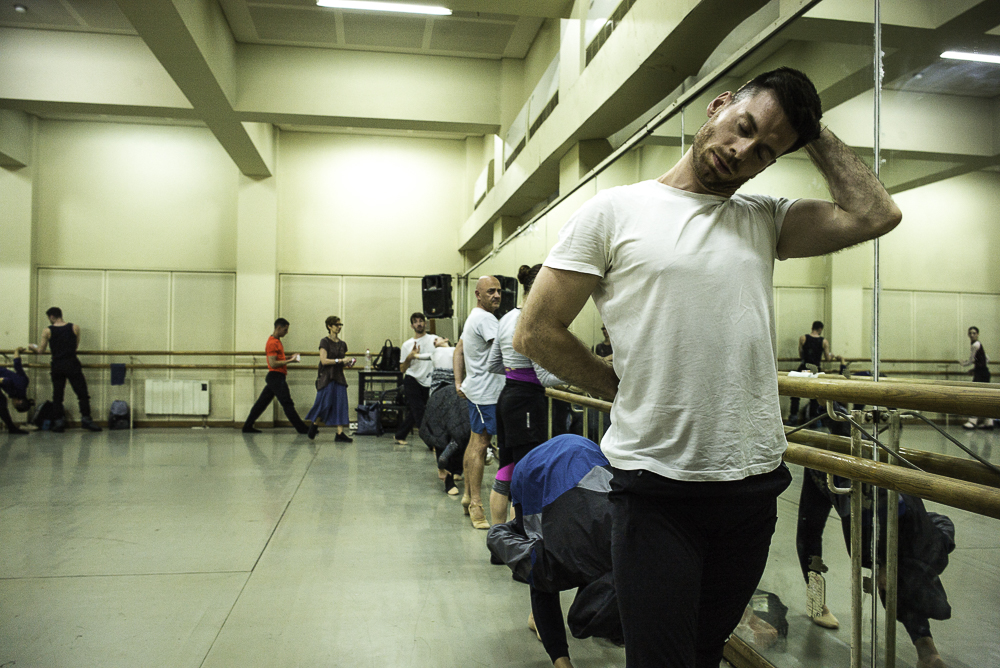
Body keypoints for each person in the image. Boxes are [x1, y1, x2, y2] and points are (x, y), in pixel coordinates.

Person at [515, 66, 902, 667]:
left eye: (765, 150)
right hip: (656, 488)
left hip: (752, 486)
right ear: (718, 106)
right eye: (743, 127)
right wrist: (616, 386)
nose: (742, 151)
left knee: (704, 654)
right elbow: (536, 330)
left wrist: (813, 131)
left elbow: (876, 214)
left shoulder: (764, 218)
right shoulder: (615, 210)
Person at [796, 468, 954, 668]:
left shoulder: (922, 538)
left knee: (899, 571)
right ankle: (925, 648)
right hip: (857, 482)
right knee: (810, 530)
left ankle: (925, 647)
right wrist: (884, 563)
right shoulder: (914, 536)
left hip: (869, 493)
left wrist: (884, 564)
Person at [487, 434, 621, 668]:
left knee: (549, 562)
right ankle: (545, 630)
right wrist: (561, 660)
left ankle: (542, 621)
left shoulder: (623, 547)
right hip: (534, 472)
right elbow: (541, 585)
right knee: (540, 569)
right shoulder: (555, 560)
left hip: (583, 455)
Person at [486, 264, 564, 526]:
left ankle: (499, 536)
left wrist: (515, 370)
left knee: (507, 468)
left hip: (508, 397)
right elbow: (545, 377)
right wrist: (578, 375)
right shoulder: (533, 320)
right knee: (527, 473)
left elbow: (493, 364)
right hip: (526, 403)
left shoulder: (506, 318)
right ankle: (523, 537)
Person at [454, 275, 504, 529]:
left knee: (475, 442)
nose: (496, 295)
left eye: (499, 291)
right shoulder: (485, 319)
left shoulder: (474, 317)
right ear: (478, 294)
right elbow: (506, 351)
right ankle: (476, 503)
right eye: (491, 291)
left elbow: (459, 350)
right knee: (481, 445)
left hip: (480, 391)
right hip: (486, 395)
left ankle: (467, 497)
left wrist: (459, 382)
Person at [31, 307, 101, 432]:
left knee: (57, 395)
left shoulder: (47, 330)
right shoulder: (75, 327)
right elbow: (75, 346)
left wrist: (31, 347)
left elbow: (40, 350)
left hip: (57, 365)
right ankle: (86, 419)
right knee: (82, 394)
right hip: (72, 363)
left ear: (51, 317)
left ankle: (59, 422)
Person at [242, 318, 308, 434]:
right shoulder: (272, 343)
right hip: (276, 377)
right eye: (285, 329)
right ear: (279, 328)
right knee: (287, 403)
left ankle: (247, 426)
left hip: (276, 377)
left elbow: (278, 359)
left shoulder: (276, 341)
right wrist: (290, 361)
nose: (286, 332)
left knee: (262, 403)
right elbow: (273, 363)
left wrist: (288, 357)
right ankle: (302, 429)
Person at [419, 339, 469, 495]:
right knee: (441, 433)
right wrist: (413, 355)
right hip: (438, 395)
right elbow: (420, 356)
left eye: (438, 338)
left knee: (458, 430)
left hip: (454, 393)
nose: (435, 340)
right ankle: (447, 475)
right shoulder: (435, 352)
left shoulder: (454, 349)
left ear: (447, 340)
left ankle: (455, 469)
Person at [305, 316, 355, 442]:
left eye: (340, 325)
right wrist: (341, 360)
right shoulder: (325, 342)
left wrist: (348, 363)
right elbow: (324, 360)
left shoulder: (342, 344)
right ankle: (314, 424)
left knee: (340, 404)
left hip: (339, 377)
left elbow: (341, 362)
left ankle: (340, 433)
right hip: (327, 377)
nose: (339, 327)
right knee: (324, 403)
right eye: (336, 325)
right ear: (329, 326)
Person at [395, 313, 441, 445]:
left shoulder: (434, 339)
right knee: (419, 411)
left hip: (429, 380)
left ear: (425, 324)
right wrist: (410, 357)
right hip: (412, 380)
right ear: (412, 326)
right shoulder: (407, 345)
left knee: (416, 411)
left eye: (421, 321)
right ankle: (431, 442)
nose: (419, 324)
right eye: (415, 322)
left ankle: (400, 435)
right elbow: (402, 369)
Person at [787, 320, 843, 426]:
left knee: (795, 393)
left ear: (812, 327)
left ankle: (793, 417)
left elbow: (801, 354)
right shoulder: (824, 342)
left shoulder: (803, 338)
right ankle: (813, 419)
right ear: (820, 329)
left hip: (804, 368)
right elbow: (827, 358)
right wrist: (832, 356)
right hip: (814, 370)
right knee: (815, 394)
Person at [960, 326, 992, 429]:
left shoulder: (975, 345)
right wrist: (975, 369)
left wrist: (963, 364)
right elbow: (987, 359)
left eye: (974, 333)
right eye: (970, 333)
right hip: (984, 373)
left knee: (974, 397)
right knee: (985, 397)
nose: (972, 335)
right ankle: (989, 422)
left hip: (981, 374)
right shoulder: (979, 345)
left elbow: (970, 360)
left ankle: (972, 421)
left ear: (978, 334)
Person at [0, 347, 34, 434]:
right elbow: (7, 381)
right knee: (1, 403)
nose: (13, 403)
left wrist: (17, 351)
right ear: (19, 402)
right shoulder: (14, 393)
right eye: (14, 405)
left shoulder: (25, 382)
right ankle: (11, 428)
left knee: (2, 401)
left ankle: (11, 427)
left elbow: (17, 364)